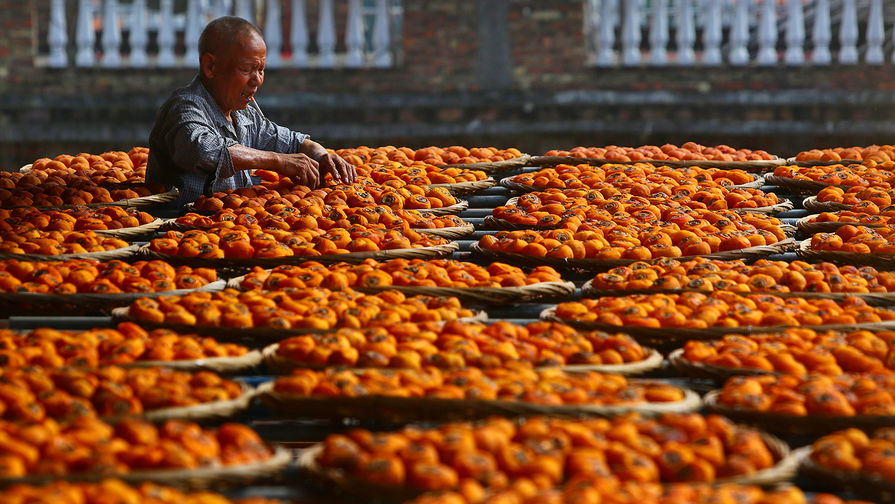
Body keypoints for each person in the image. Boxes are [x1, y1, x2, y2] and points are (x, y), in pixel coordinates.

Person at [146, 16, 355, 207]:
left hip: (231, 230)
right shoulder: (184, 108)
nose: (257, 81)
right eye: (247, 69)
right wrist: (279, 161)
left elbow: (291, 141)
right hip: (181, 231)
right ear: (210, 66)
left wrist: (322, 155)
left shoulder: (242, 114)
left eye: (261, 69)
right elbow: (204, 151)